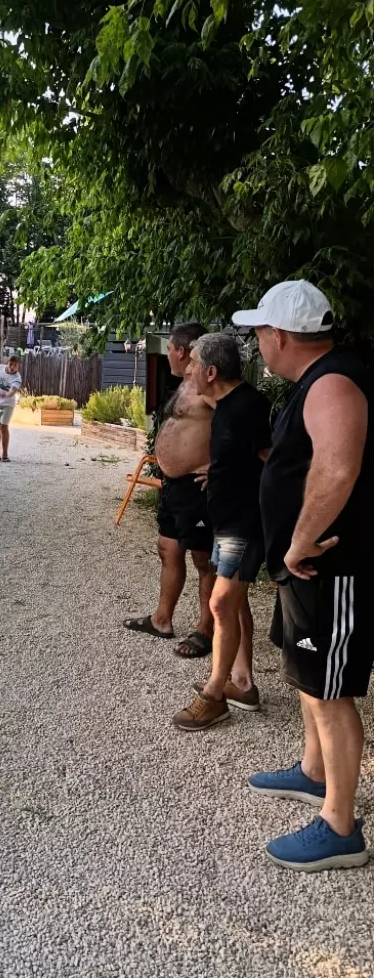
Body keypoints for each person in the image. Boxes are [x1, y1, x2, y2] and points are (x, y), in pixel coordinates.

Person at [229, 280, 372, 872]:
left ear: (280, 335)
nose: (258, 343)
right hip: (305, 566)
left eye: (260, 332)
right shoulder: (315, 381)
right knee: (308, 675)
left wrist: (302, 539)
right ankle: (314, 773)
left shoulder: (333, 382)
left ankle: (340, 827)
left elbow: (338, 469)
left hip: (331, 564)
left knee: (329, 689)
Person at [172, 333, 272, 731]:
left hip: (244, 523)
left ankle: (214, 695)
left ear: (211, 372)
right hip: (226, 520)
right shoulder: (227, 404)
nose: (189, 369)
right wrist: (219, 470)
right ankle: (243, 683)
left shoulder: (248, 405)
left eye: (194, 363)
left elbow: (272, 463)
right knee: (235, 604)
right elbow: (243, 455)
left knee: (220, 603)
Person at [123, 323, 216, 658]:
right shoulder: (186, 384)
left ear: (181, 351)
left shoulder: (210, 386)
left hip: (197, 487)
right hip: (174, 485)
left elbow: (239, 425)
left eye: (169, 351)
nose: (168, 357)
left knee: (204, 559)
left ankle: (206, 630)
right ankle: (162, 619)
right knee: (168, 548)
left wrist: (220, 466)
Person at [0, 353, 22, 461]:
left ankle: (5, 454)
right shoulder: (0, 368)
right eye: (10, 364)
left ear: (18, 366)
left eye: (15, 365)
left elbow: (13, 390)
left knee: (4, 426)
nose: (12, 367)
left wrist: (7, 395)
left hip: (8, 403)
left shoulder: (17, 378)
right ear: (7, 363)